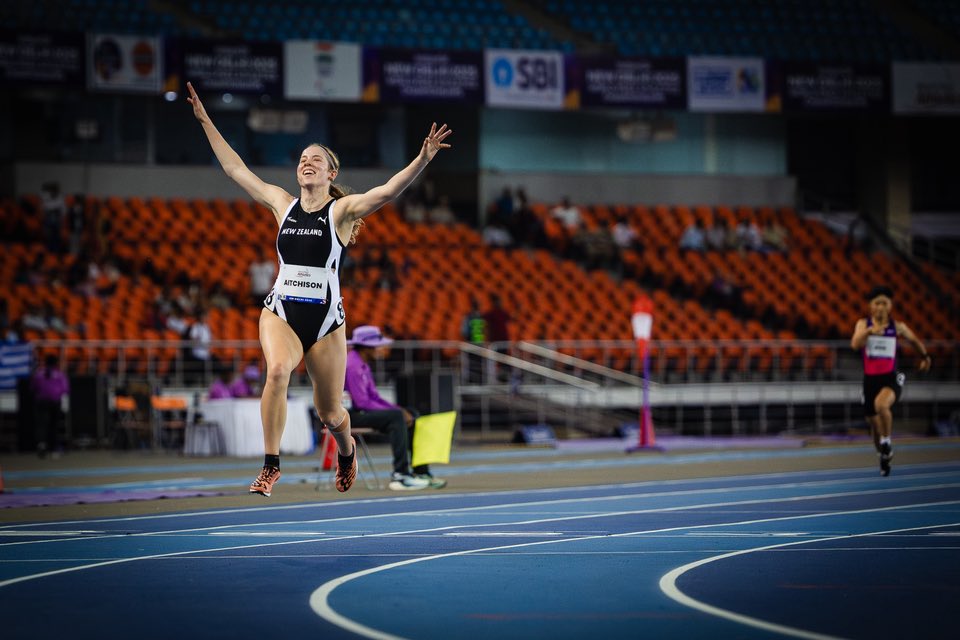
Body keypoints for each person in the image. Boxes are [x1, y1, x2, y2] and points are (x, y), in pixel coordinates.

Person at [188, 81, 452, 497]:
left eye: (316, 159)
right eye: (302, 159)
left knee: (330, 412)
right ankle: (271, 465)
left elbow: (387, 191)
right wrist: (206, 121)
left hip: (326, 322)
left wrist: (422, 159)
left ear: (331, 174)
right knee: (277, 371)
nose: (307, 162)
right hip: (282, 311)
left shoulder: (341, 211)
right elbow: (236, 170)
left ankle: (347, 451)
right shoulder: (282, 203)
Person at [344, 325, 445, 490]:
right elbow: (361, 403)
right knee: (397, 417)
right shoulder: (353, 366)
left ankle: (421, 472)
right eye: (377, 345)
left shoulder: (362, 364)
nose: (381, 348)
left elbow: (374, 397)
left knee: (412, 413)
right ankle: (400, 474)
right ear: (366, 347)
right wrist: (397, 412)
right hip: (350, 415)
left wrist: (399, 409)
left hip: (359, 411)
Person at [850, 285, 931, 477]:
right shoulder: (863, 324)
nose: (880, 307)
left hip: (891, 377)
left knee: (881, 405)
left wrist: (925, 356)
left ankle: (887, 441)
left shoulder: (898, 326)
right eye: (877, 303)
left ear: (890, 306)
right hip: (870, 380)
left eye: (884, 303)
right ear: (870, 306)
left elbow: (914, 340)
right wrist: (870, 332)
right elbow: (855, 344)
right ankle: (883, 454)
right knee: (873, 424)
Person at [30, 354, 69, 457]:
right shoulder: (60, 375)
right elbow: (65, 389)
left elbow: (33, 387)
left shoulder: (39, 374)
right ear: (56, 363)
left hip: (41, 402)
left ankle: (41, 444)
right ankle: (53, 448)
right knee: (54, 425)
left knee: (41, 424)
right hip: (55, 402)